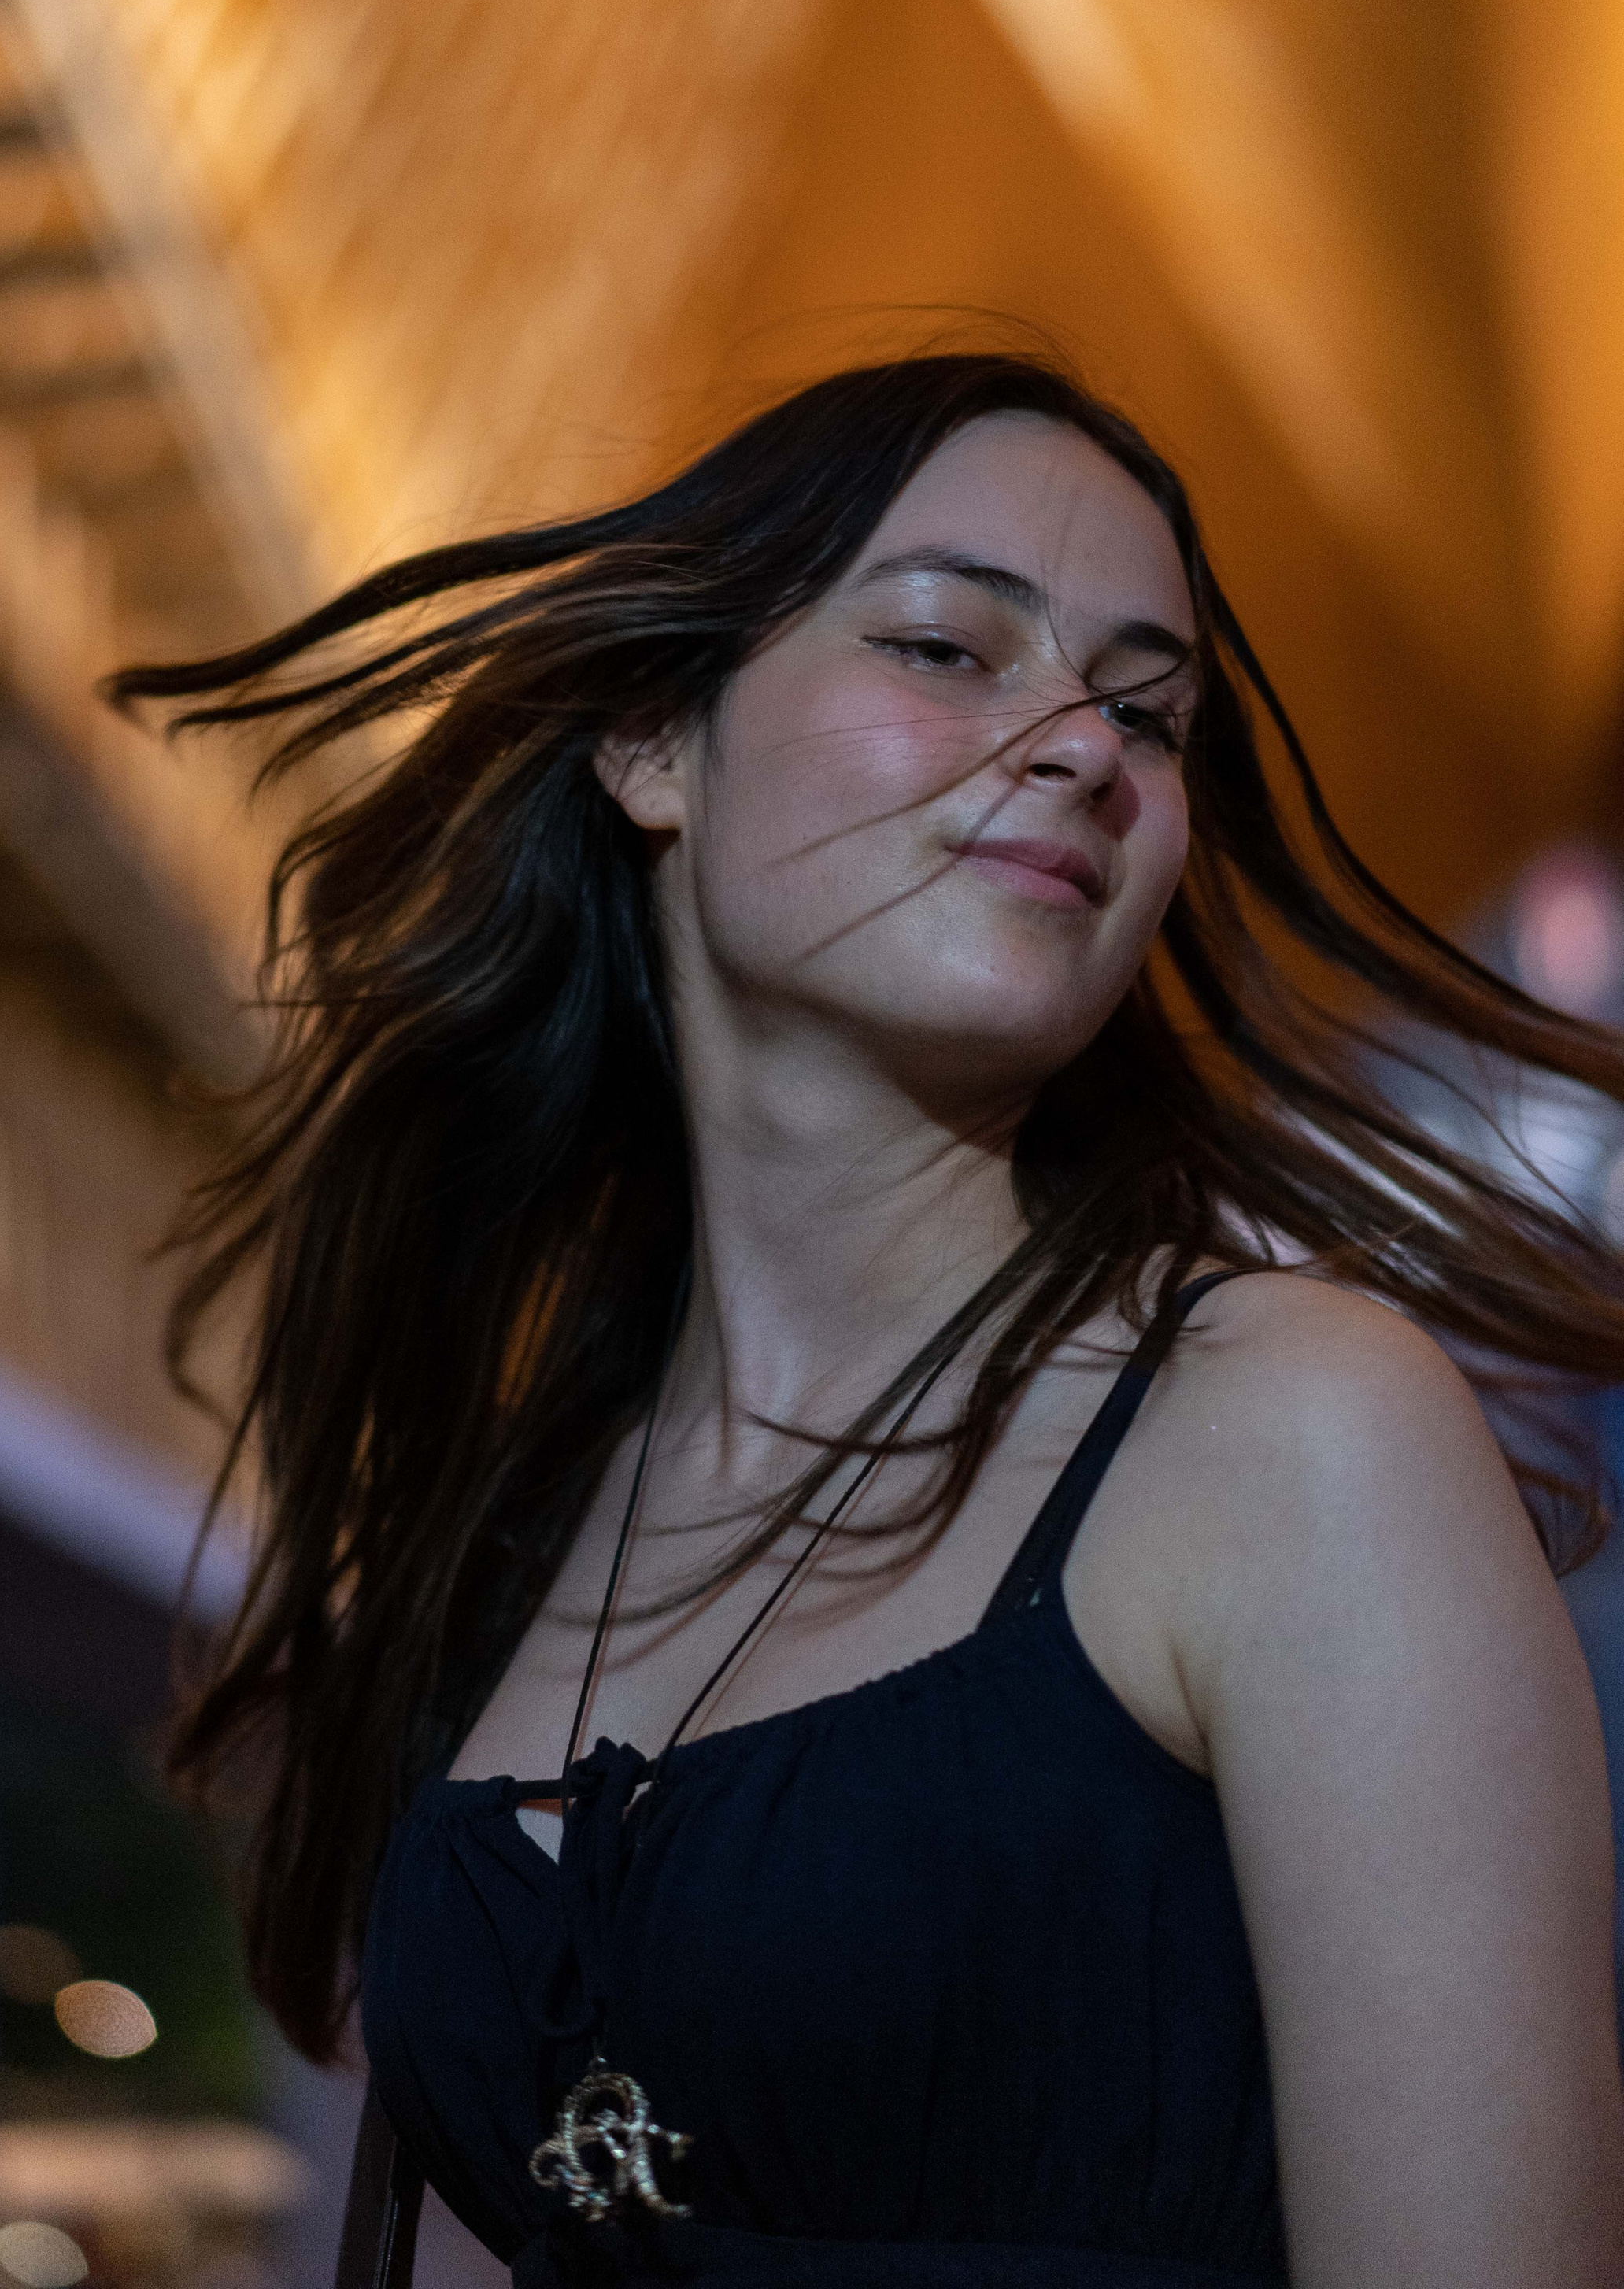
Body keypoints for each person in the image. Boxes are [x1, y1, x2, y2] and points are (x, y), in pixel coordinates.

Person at [117, 356, 1624, 2289]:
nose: (1080, 748)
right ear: (653, 744)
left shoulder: (1288, 1427)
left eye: (1145, 713)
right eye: (943, 647)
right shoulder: (518, 1518)